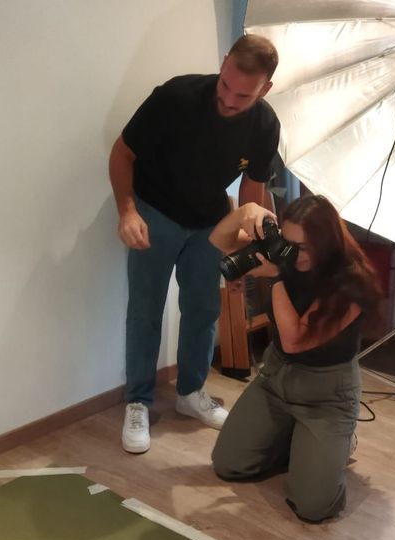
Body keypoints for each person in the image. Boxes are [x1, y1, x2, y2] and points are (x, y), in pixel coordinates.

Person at [109, 35, 280, 454]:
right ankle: (138, 402)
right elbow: (121, 154)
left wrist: (245, 250)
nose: (228, 99)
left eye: (243, 94)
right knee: (145, 311)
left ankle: (190, 393)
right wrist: (128, 213)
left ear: (265, 89)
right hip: (156, 210)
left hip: (211, 221)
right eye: (225, 85)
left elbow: (252, 192)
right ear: (223, 65)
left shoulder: (265, 125)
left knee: (203, 308)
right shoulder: (176, 96)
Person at [208, 195, 382, 523]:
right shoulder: (287, 256)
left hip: (327, 395)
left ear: (327, 243)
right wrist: (246, 212)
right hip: (276, 379)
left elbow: (295, 338)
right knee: (228, 464)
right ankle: (297, 440)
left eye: (303, 247)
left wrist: (278, 276)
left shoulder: (351, 283)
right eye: (287, 243)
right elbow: (219, 240)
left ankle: (336, 444)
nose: (292, 254)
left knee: (314, 506)